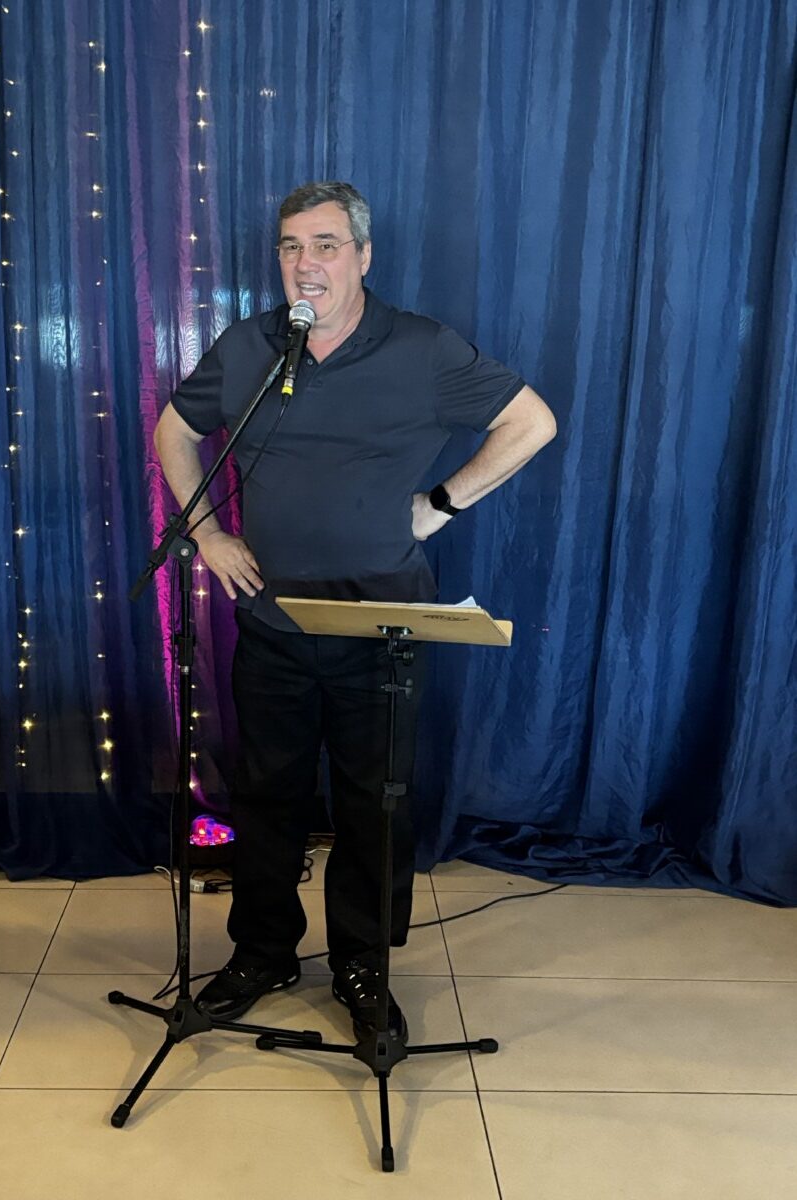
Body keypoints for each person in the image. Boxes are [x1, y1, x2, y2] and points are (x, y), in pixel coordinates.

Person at [153, 181, 556, 1040]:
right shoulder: (251, 345)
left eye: (326, 245)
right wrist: (208, 534)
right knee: (267, 796)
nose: (307, 263)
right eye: (292, 246)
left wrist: (439, 505)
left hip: (382, 633)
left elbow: (532, 423)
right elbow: (174, 432)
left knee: (377, 804)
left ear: (364, 256)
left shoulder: (421, 348)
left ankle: (363, 965)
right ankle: (262, 951)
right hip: (272, 623)